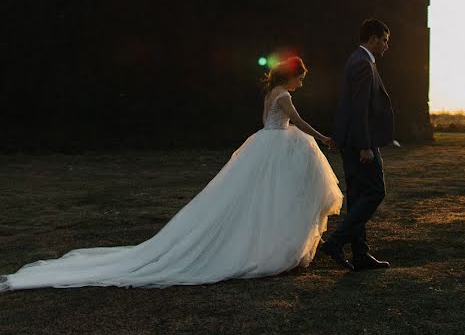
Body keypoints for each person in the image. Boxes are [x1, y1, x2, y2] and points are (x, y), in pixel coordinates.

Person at [0, 56, 343, 291]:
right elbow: (296, 121)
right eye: (302, 78)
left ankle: (275, 245)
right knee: (271, 199)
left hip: (265, 144)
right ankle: (271, 249)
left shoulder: (270, 92)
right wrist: (322, 137)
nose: (302, 83)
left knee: (257, 200)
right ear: (292, 76)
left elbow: (264, 122)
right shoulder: (282, 95)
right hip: (275, 148)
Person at [320, 19, 395, 272]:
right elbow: (359, 108)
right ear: (372, 39)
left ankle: (360, 254)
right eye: (385, 40)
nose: (386, 46)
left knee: (358, 196)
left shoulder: (356, 60)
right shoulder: (363, 63)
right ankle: (335, 242)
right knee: (376, 191)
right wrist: (365, 145)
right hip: (360, 141)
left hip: (351, 139)